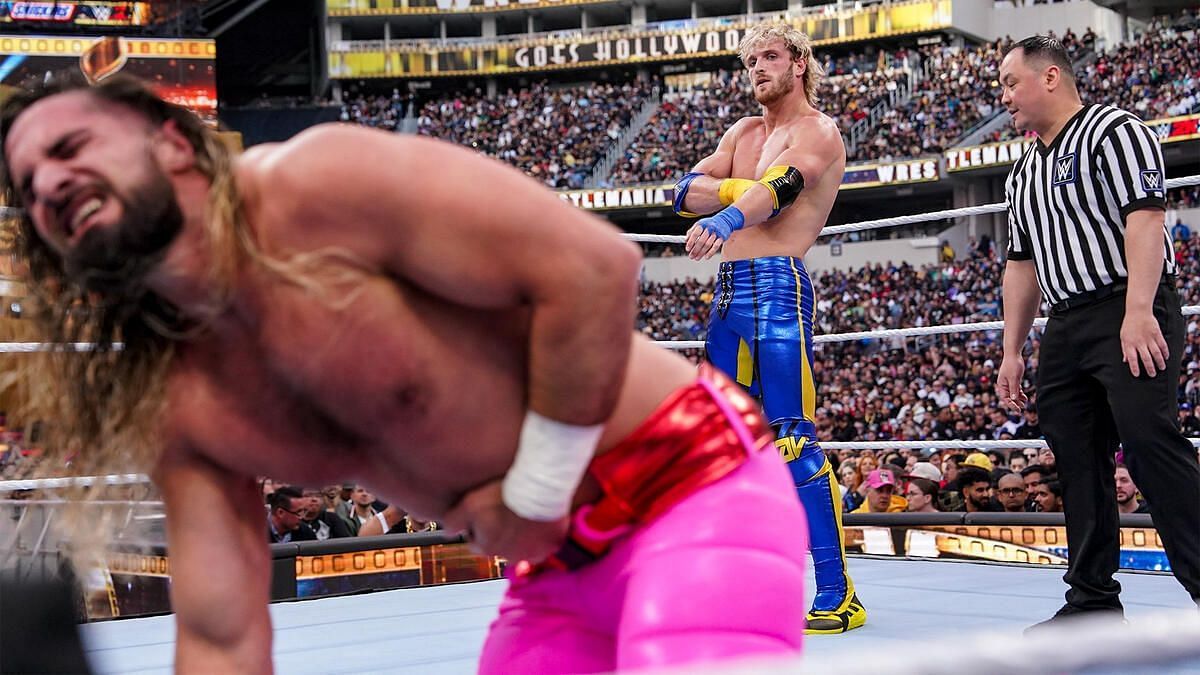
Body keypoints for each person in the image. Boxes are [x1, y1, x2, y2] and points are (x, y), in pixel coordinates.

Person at [1, 74, 811, 673]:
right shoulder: (178, 397)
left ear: (174, 142)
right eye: (28, 188)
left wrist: (532, 493)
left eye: (69, 149)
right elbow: (222, 634)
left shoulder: (315, 185)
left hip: (690, 485)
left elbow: (594, 264)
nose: (49, 184)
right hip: (558, 566)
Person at [995, 36, 1200, 628]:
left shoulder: (1116, 130)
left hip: (1127, 302)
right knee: (1077, 458)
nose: (1005, 97)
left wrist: (1138, 310)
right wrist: (1012, 350)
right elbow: (1021, 265)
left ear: (1051, 76)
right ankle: (1091, 602)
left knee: (1149, 441)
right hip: (1065, 322)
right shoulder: (1021, 173)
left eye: (1012, 82)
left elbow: (1147, 217)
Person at [672, 21, 861, 634]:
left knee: (790, 439)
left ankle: (837, 591)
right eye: (750, 59)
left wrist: (728, 215)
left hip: (779, 287)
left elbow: (783, 190)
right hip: (728, 295)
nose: (757, 67)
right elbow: (682, 192)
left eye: (770, 56)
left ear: (799, 62)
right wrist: (734, 193)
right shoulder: (743, 132)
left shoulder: (818, 130)